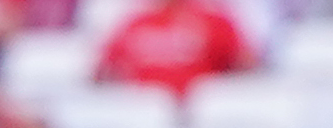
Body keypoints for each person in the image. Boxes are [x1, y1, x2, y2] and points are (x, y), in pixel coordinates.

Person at [98, 0, 253, 98]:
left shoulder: (214, 20)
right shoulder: (136, 22)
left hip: (200, 118)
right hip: (145, 117)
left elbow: (246, 64)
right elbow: (103, 70)